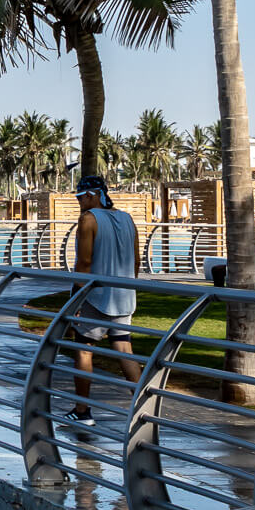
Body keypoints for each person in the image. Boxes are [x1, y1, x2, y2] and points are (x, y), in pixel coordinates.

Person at [68, 174, 143, 426]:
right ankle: (144, 410)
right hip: (124, 296)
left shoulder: (88, 220)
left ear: (90, 195)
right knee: (124, 348)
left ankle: (82, 411)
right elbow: (136, 262)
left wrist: (75, 299)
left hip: (96, 297)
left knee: (83, 349)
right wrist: (127, 288)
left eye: (80, 197)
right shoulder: (127, 218)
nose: (79, 202)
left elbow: (84, 263)